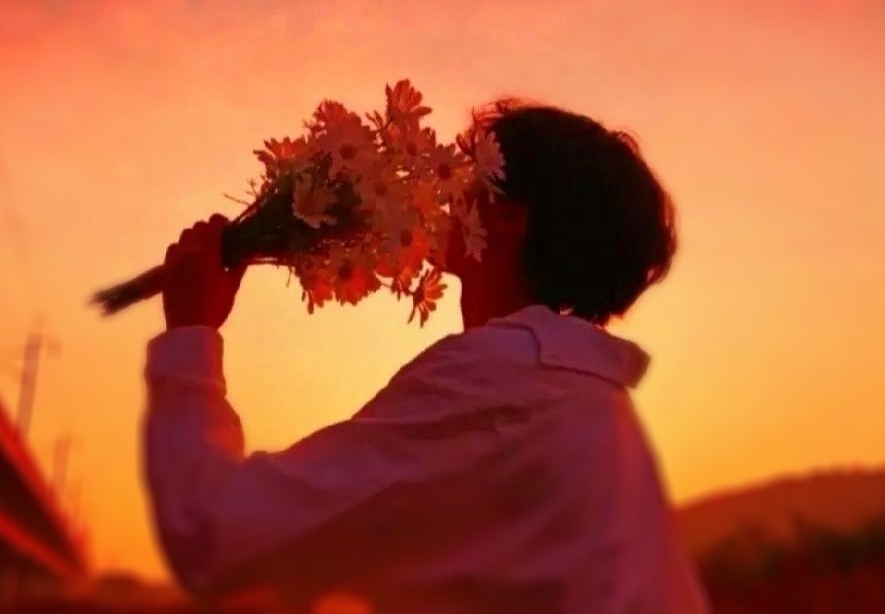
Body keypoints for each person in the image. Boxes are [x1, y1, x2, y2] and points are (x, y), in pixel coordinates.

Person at [144, 100, 710, 613]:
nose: (443, 192)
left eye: (468, 175)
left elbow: (213, 533)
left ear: (509, 217)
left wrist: (192, 332)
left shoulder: (503, 381)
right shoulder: (586, 401)